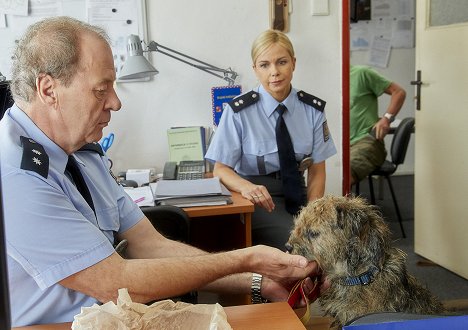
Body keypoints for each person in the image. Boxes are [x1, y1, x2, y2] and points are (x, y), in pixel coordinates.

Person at [0, 17, 324, 327]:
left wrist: (258, 281)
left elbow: (150, 246)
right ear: (48, 89)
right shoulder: (16, 175)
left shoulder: (83, 155)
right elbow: (116, 283)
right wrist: (247, 259)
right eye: (101, 90)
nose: (115, 102)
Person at [205, 30, 337, 251]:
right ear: (255, 69)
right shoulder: (238, 111)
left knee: (337, 247)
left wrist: (313, 215)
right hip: (259, 200)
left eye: (282, 62)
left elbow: (317, 171)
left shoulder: (312, 110)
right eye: (265, 65)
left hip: (300, 195)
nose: (274, 72)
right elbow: (220, 169)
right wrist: (247, 187)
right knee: (299, 249)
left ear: (293, 63)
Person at [350, 65, 406, 185]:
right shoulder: (328, 82)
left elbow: (399, 92)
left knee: (344, 175)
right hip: (340, 145)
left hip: (365, 140)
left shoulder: (361, 74)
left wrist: (386, 118)